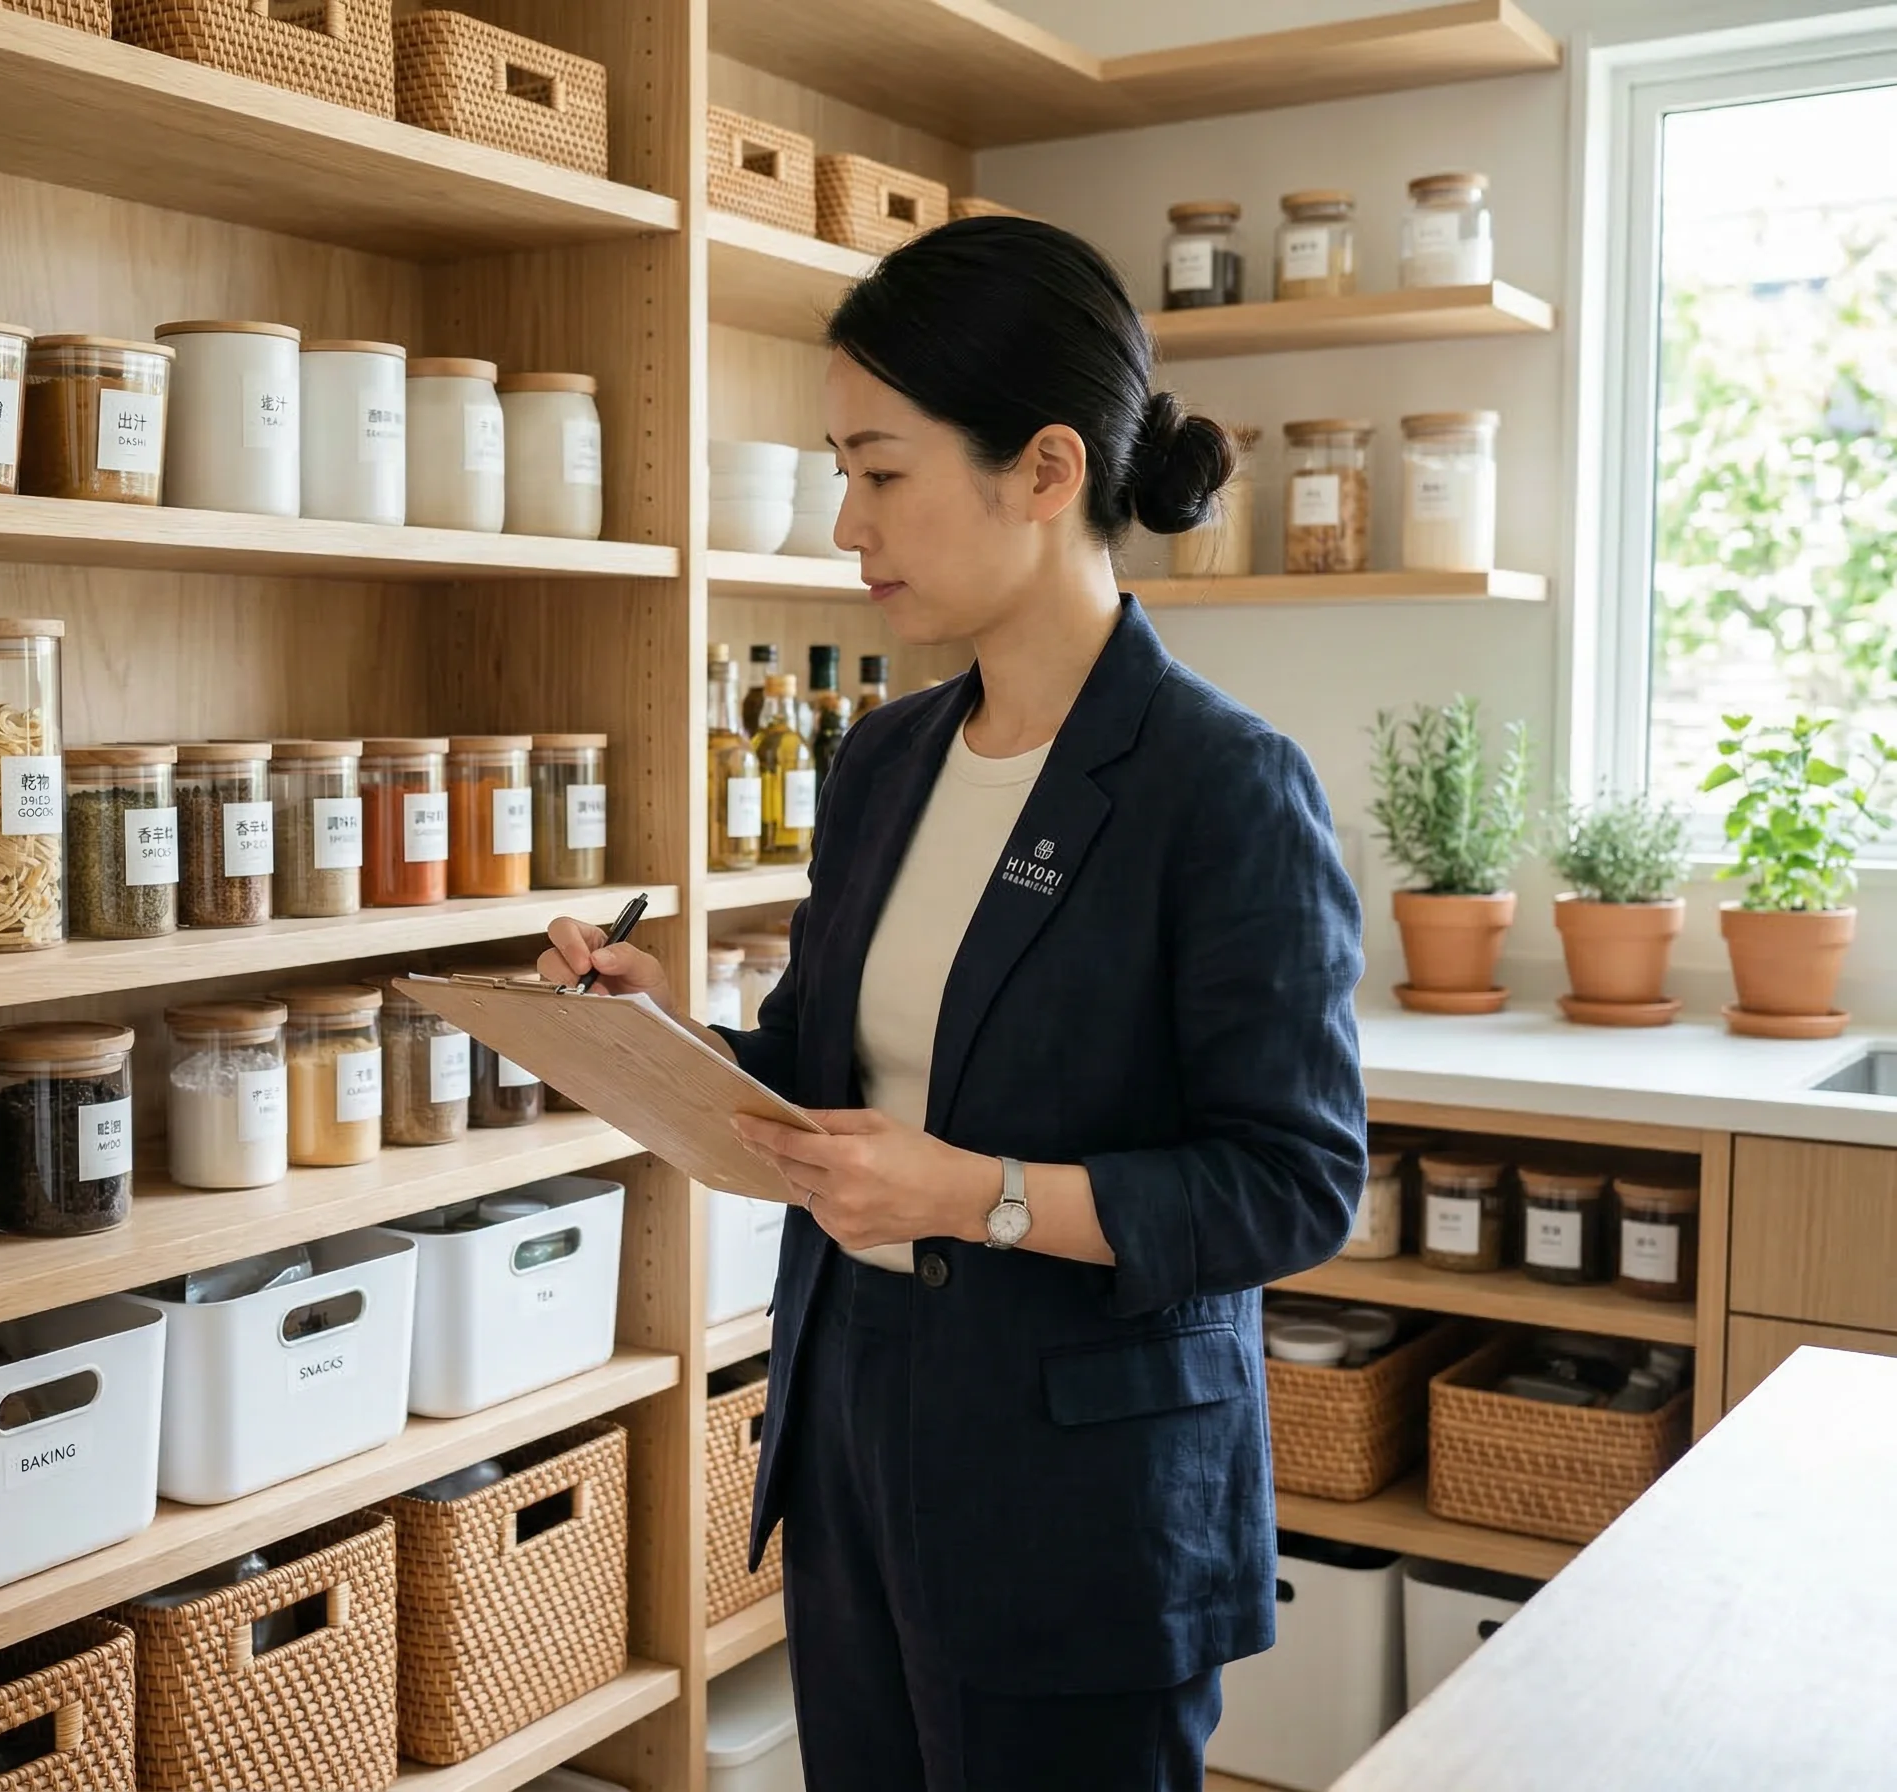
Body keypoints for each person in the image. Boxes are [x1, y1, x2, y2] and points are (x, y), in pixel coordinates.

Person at [541, 215, 1367, 1792]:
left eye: (882, 468)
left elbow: (1294, 1185)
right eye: (839, 470)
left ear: (1047, 470)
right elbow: (827, 1084)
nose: (847, 519)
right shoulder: (888, 758)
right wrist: (658, 1035)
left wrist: (978, 1199)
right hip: (857, 1436)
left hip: (1083, 1503)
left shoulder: (1225, 785)